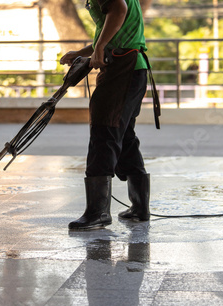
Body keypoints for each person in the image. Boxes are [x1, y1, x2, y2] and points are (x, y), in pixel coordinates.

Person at [60, 0, 159, 230]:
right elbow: (116, 29)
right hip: (132, 68)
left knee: (104, 131)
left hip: (123, 68)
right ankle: (139, 207)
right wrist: (86, 51)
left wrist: (100, 45)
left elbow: (119, 9)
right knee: (123, 136)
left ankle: (98, 212)